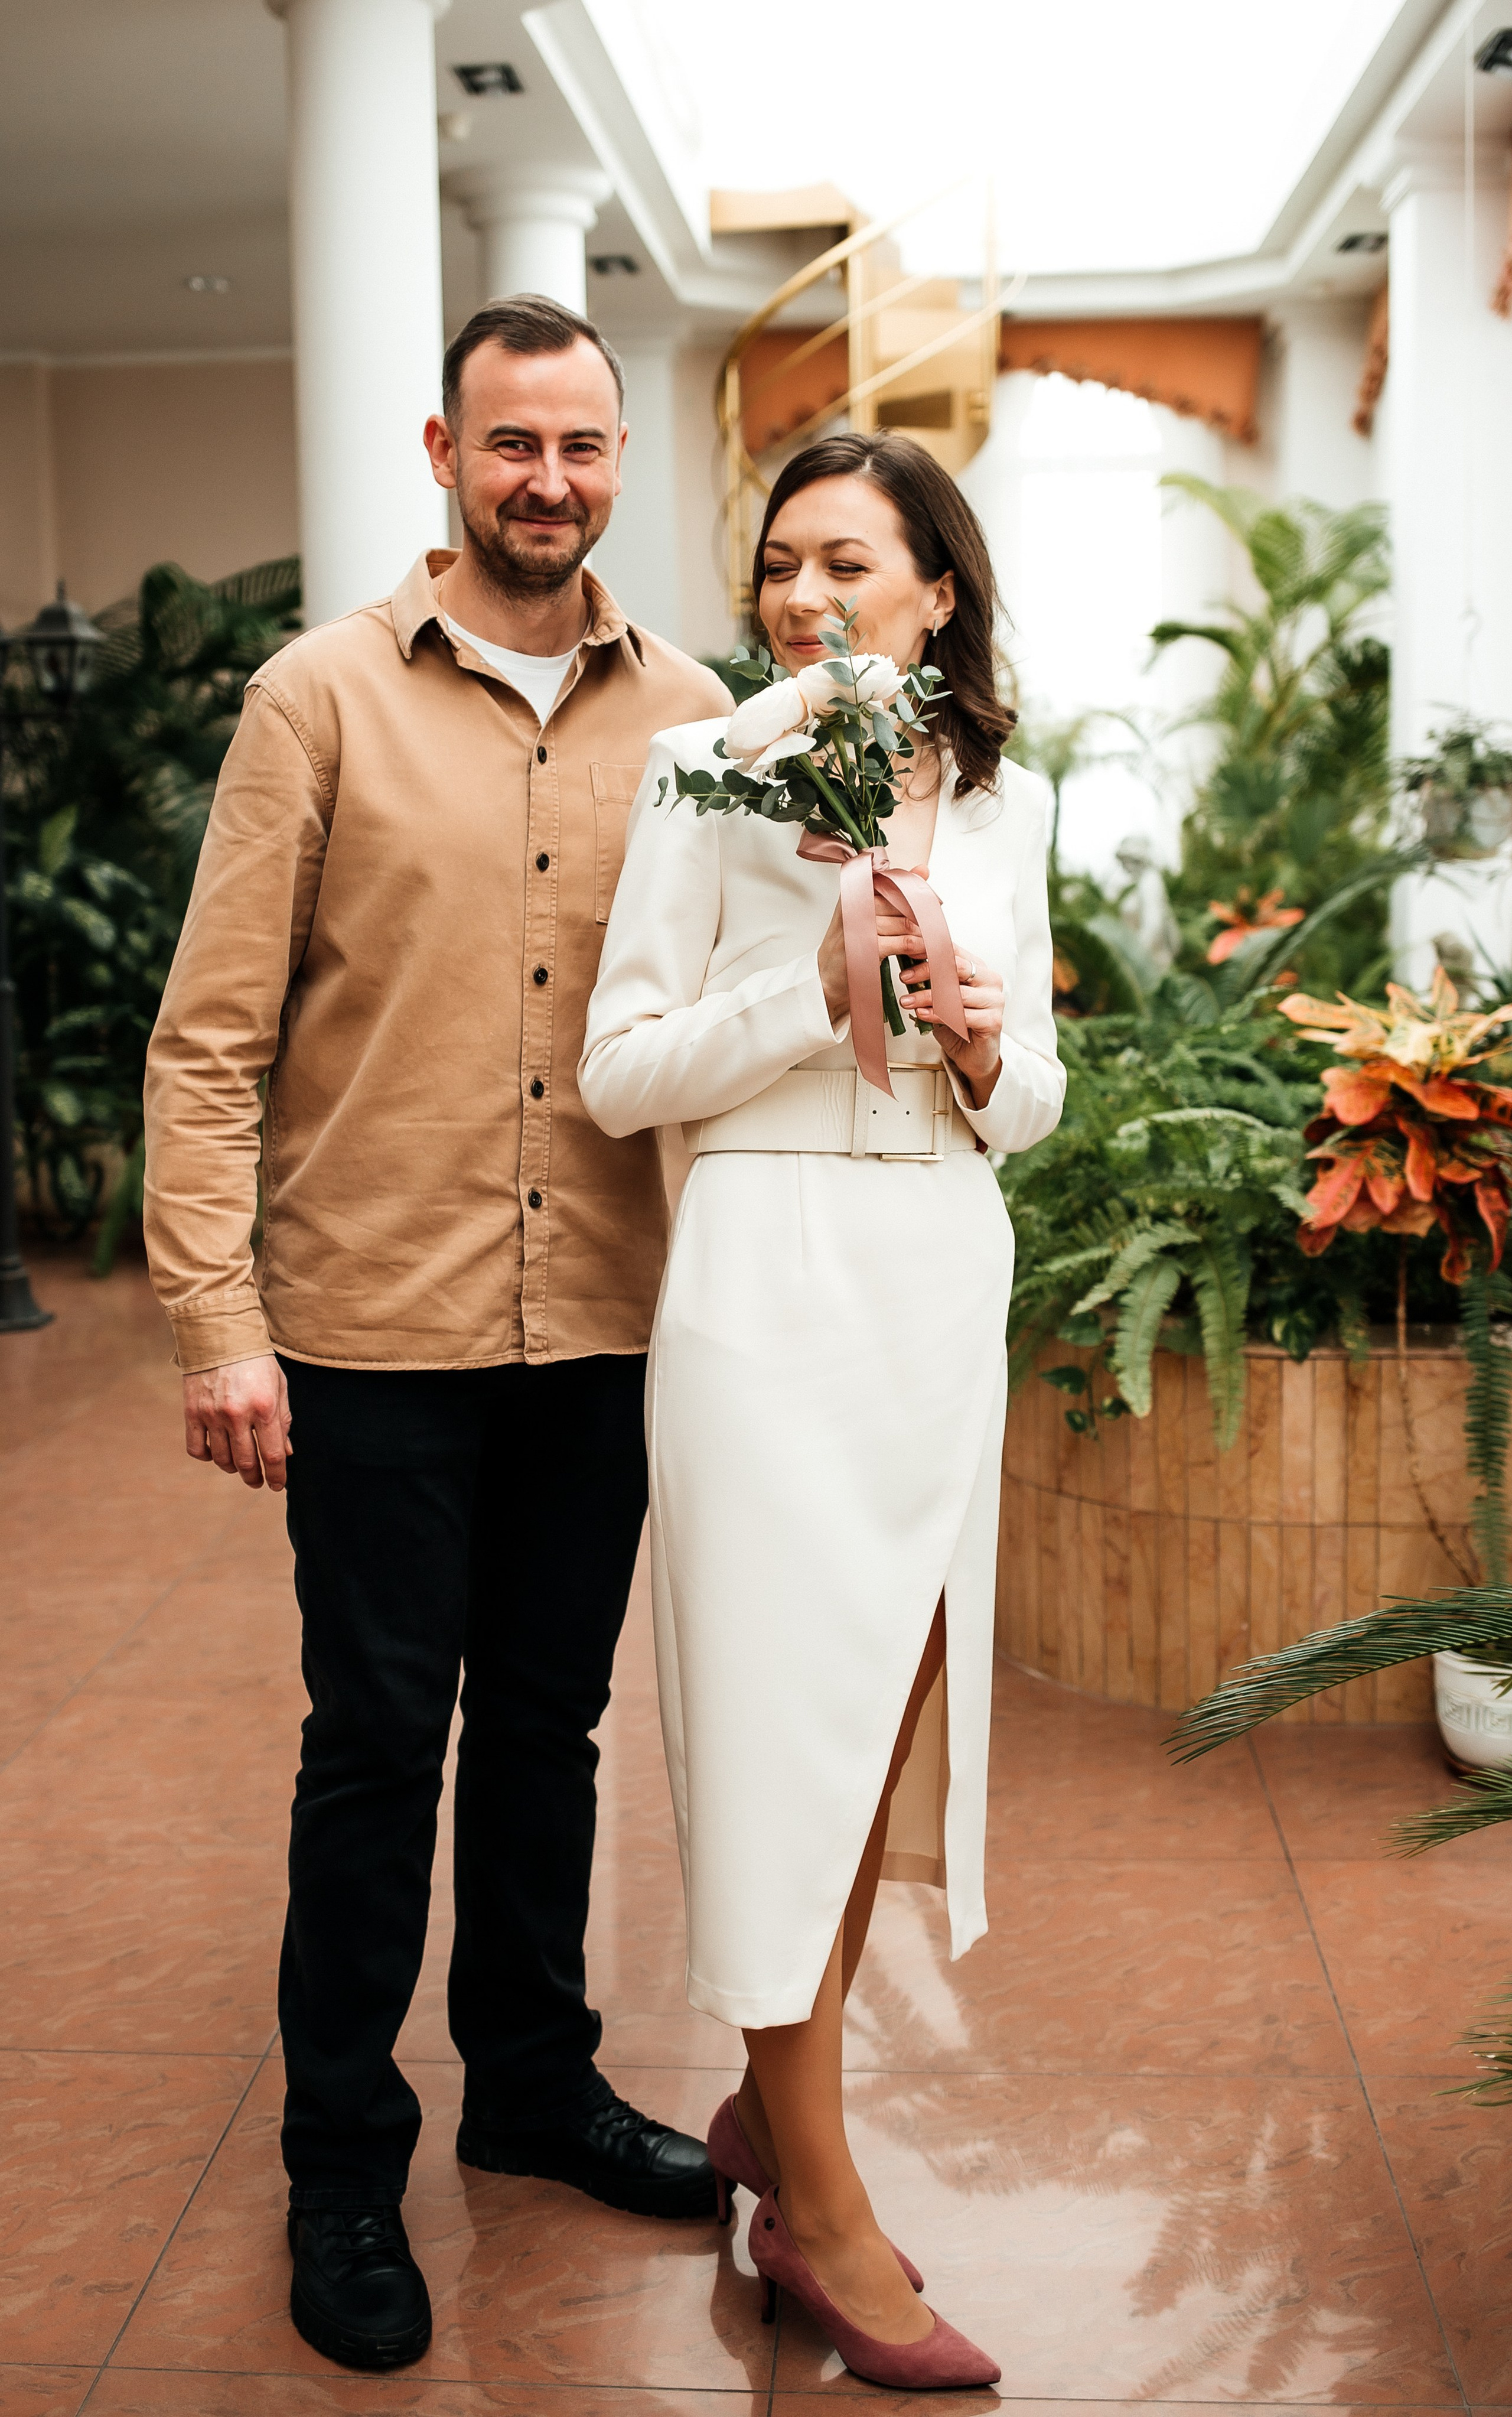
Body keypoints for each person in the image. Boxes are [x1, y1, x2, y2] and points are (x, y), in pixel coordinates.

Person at [142, 295, 733, 2374]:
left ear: (618, 457)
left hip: (604, 1321)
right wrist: (219, 1322)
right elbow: (211, 1042)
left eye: (581, 445)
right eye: (511, 446)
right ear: (442, 450)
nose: (547, 481)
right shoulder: (314, 700)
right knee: (380, 1745)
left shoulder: (702, 713)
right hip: (372, 1327)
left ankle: (535, 2085)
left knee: (554, 1732)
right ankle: (338, 2160)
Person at [579, 431, 1065, 2391]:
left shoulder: (1011, 801)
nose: (805, 598)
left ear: (937, 589)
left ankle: (778, 2126)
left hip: (940, 1276)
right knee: (782, 1739)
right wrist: (815, 982)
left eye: (849, 564)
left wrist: (973, 1035)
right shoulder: (707, 768)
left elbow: (1038, 1097)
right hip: (766, 1286)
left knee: (869, 1732)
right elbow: (623, 1070)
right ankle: (826, 2213)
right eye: (782, 563)